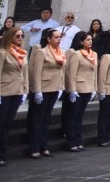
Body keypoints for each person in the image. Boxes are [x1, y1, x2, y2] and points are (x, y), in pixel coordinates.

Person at [0, 28, 28, 167]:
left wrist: (25, 91)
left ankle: (1, 154)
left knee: (7, 125)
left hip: (16, 92)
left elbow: (24, 74)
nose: (20, 38)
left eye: (22, 35)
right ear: (10, 36)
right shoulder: (1, 53)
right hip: (2, 92)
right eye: (17, 35)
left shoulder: (23, 53)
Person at [27, 28, 65, 159]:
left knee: (46, 118)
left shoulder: (60, 52)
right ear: (48, 39)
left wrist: (61, 87)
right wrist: (37, 90)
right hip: (42, 88)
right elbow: (36, 72)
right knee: (37, 118)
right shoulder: (41, 52)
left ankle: (44, 145)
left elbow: (61, 72)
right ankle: (34, 147)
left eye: (60, 37)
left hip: (54, 88)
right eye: (56, 37)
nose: (59, 39)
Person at [63, 31, 98, 152]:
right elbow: (71, 73)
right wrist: (72, 89)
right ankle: (71, 141)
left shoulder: (94, 54)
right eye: (87, 40)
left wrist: (94, 88)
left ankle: (78, 140)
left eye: (91, 40)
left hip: (87, 88)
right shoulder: (77, 54)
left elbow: (94, 74)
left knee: (80, 116)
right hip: (78, 88)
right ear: (81, 41)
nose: (90, 41)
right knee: (73, 116)